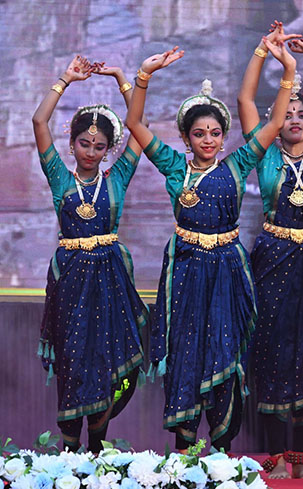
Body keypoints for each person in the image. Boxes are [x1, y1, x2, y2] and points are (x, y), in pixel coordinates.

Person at [125, 42, 296, 453]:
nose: (208, 139)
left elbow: (275, 123)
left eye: (215, 133)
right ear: (186, 137)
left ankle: (223, 457)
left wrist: (287, 68)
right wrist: (144, 75)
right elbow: (133, 123)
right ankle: (185, 454)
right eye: (199, 133)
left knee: (225, 353)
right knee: (186, 354)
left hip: (227, 272)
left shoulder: (237, 165)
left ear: (224, 137)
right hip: (186, 271)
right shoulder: (173, 166)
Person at [237, 22, 303, 479]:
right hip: (273, 258)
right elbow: (245, 101)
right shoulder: (264, 154)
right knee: (272, 351)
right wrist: (262, 52)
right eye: (289, 113)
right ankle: (276, 456)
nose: (296, 119)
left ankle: (301, 460)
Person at [32, 55, 148, 453]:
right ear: (72, 143)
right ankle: (68, 452)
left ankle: (97, 448)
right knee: (73, 362)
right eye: (84, 143)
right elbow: (39, 122)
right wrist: (65, 79)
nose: (91, 152)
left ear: (108, 149)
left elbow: (138, 127)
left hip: (109, 281)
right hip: (69, 282)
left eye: (100, 146)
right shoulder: (60, 178)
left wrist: (123, 79)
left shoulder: (117, 178)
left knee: (105, 362)